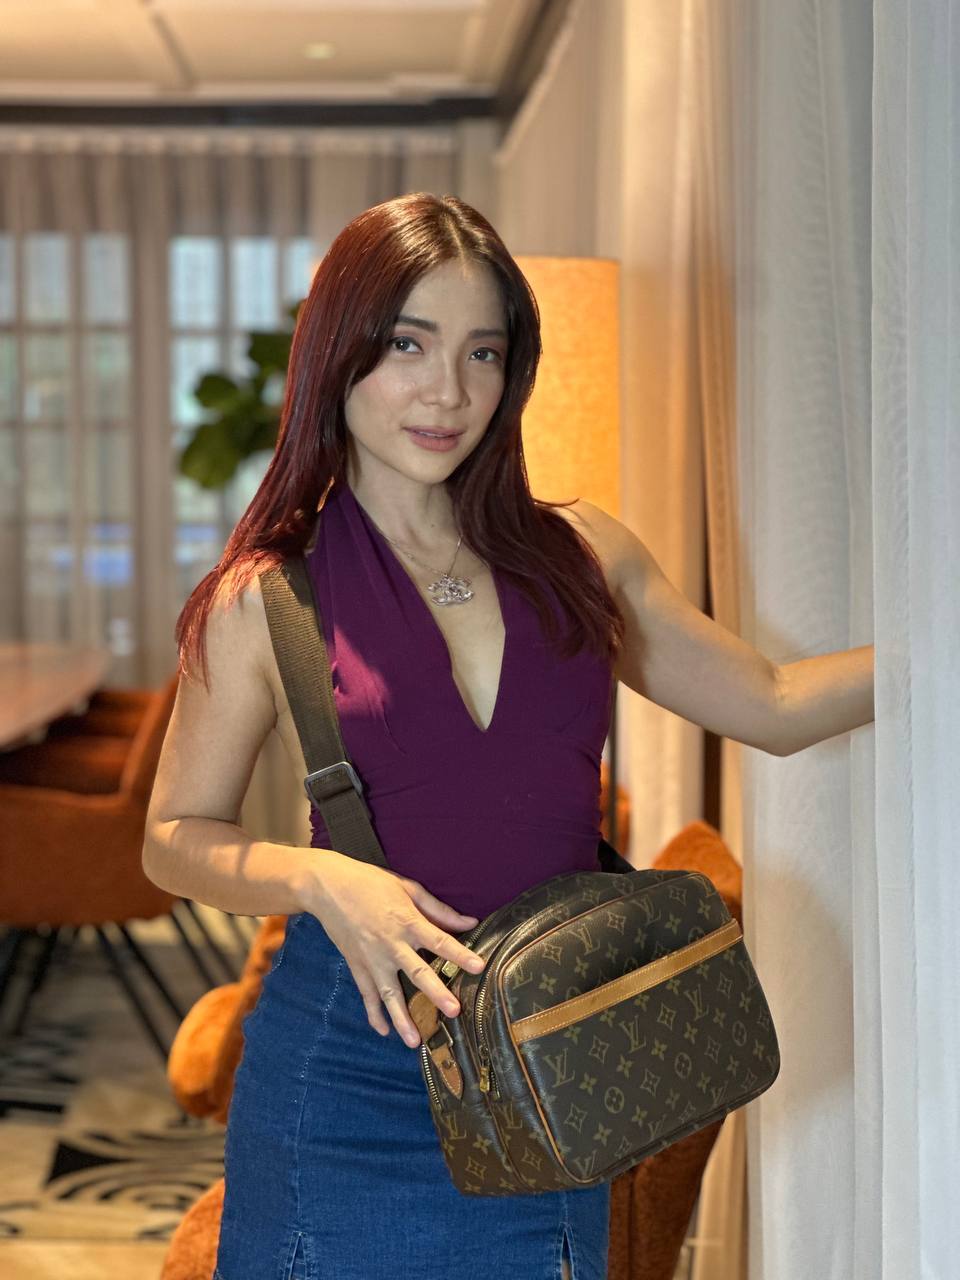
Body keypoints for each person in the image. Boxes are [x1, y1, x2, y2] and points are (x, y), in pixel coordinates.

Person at [143, 192, 874, 1280]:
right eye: (408, 344)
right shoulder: (269, 597)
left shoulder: (583, 556)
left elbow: (772, 700)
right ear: (339, 353)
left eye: (482, 352)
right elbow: (172, 836)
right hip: (347, 1075)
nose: (448, 389)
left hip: (547, 1063)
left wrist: (930, 654)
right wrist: (317, 878)